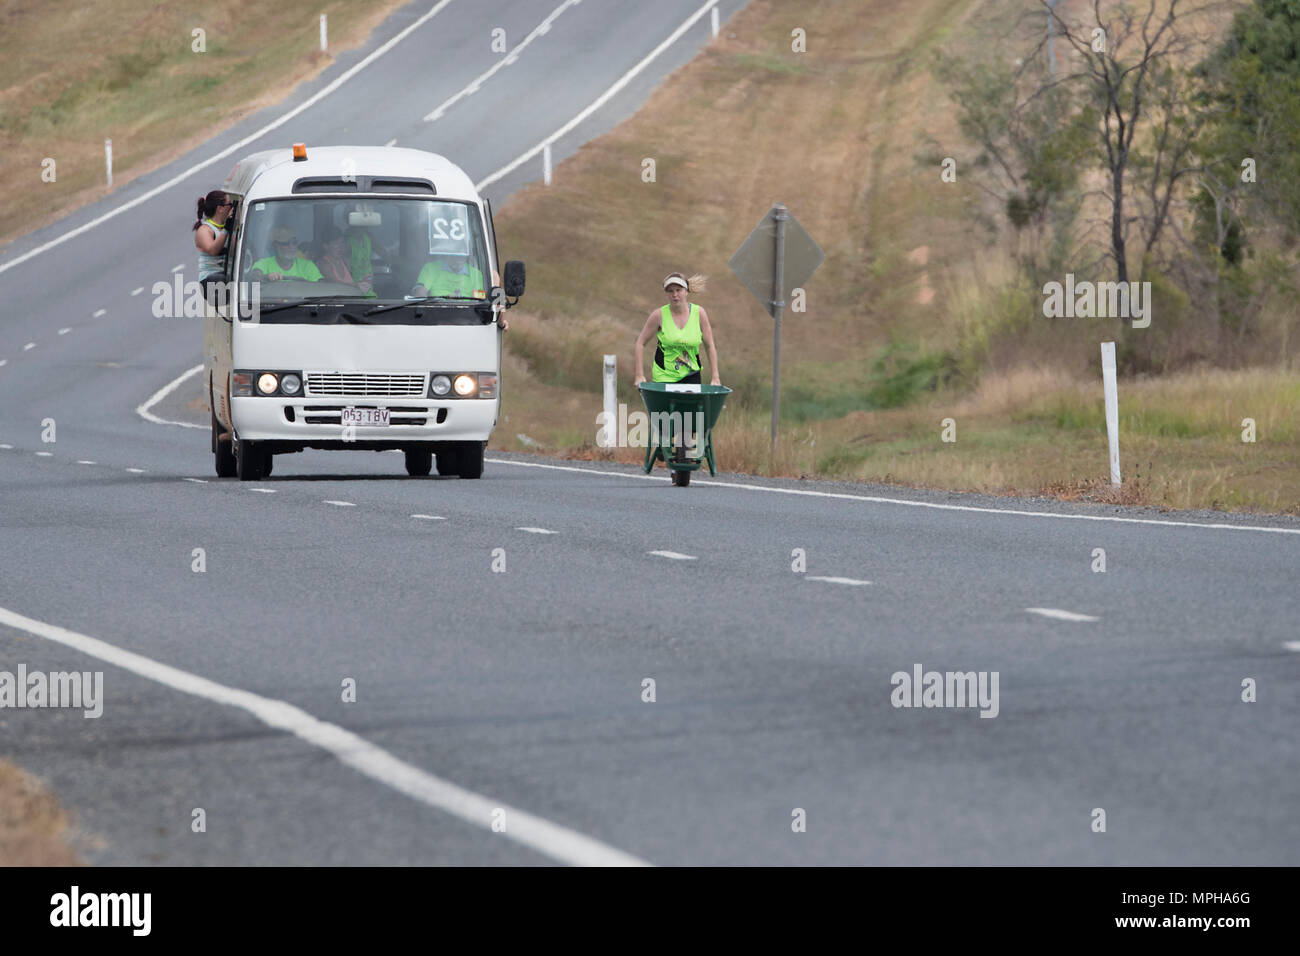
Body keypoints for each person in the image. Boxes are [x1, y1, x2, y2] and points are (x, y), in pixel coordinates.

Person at [634, 272, 720, 387]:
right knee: (664, 406)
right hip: (664, 377)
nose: (675, 294)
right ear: (666, 293)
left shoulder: (699, 313)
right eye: (670, 291)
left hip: (691, 375)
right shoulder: (658, 315)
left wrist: (715, 377)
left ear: (686, 291)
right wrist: (639, 375)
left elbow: (709, 346)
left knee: (690, 406)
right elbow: (640, 343)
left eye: (678, 290)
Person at [249, 227, 323, 282]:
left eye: (294, 243)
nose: (292, 247)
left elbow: (319, 286)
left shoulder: (307, 266)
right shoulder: (263, 264)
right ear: (275, 246)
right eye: (286, 243)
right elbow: (254, 278)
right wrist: (267, 277)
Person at [194, 190, 234, 289]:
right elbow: (213, 250)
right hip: (210, 280)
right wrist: (226, 229)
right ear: (220, 208)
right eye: (230, 204)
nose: (232, 207)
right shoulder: (204, 230)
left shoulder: (227, 226)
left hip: (227, 275)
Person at [412, 252, 486, 299]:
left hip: (467, 316)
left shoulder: (476, 273)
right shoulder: (431, 268)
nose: (458, 258)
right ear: (447, 253)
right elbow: (419, 293)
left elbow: (479, 299)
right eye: (455, 254)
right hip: (436, 313)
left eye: (462, 254)